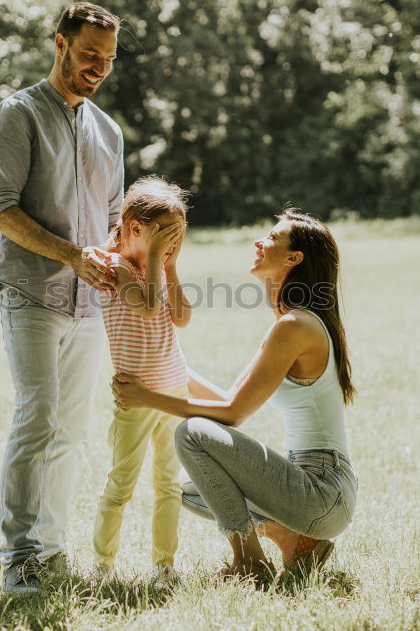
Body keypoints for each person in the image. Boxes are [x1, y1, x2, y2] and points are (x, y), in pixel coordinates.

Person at [112, 210, 358, 586]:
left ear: (294, 259)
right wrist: (159, 369)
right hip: (317, 493)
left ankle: (249, 564)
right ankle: (295, 539)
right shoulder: (291, 322)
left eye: (272, 239)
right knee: (190, 490)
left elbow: (231, 413)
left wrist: (148, 398)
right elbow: (229, 398)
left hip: (322, 490)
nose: (259, 242)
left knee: (191, 434)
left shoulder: (295, 327)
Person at [0, 2, 123, 596]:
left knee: (73, 430)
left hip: (89, 302)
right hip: (30, 292)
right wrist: (74, 256)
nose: (98, 67)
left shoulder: (108, 131)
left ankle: (53, 550)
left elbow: (114, 217)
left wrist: (114, 257)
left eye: (108, 59)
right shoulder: (15, 117)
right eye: (88, 54)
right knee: (36, 418)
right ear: (59, 43)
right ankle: (18, 556)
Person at [91, 177, 191, 584]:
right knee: (121, 484)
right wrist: (153, 261)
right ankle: (102, 565)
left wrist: (170, 265)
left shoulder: (159, 268)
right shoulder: (113, 267)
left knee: (169, 484)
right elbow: (148, 308)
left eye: (176, 235)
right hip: (135, 398)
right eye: (163, 233)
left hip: (172, 389)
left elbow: (180, 318)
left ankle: (164, 565)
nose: (169, 242)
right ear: (134, 226)